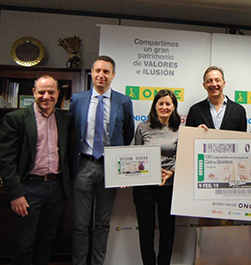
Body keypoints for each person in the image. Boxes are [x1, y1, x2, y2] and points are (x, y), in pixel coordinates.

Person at [69, 55, 135, 264]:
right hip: (84, 166)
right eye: (97, 70)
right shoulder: (78, 99)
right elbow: (69, 129)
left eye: (106, 72)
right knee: (80, 224)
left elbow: (127, 134)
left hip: (109, 168)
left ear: (113, 75)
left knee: (102, 223)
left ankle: (98, 262)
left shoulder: (123, 101)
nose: (101, 75)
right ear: (91, 72)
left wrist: (117, 159)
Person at [0, 75, 71, 265]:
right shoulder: (16, 119)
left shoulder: (65, 119)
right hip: (28, 189)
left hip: (56, 188)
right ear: (34, 93)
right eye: (41, 92)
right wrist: (15, 194)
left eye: (51, 92)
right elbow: (6, 160)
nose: (46, 96)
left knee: (46, 242)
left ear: (58, 94)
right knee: (24, 244)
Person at [186, 65, 247, 226]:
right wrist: (195, 134)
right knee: (205, 219)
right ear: (204, 85)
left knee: (227, 221)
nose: (213, 84)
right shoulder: (195, 110)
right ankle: (203, 252)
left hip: (231, 176)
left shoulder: (239, 110)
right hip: (205, 175)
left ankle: (225, 252)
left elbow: (243, 145)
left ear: (224, 83)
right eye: (209, 81)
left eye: (217, 80)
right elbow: (187, 145)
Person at [133, 89, 179, 265]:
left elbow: (183, 155)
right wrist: (124, 177)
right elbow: (135, 155)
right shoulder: (142, 127)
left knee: (167, 231)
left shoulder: (179, 129)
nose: (164, 107)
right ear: (155, 106)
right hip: (145, 186)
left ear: (174, 107)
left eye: (168, 103)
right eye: (161, 103)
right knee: (146, 231)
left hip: (169, 186)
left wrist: (172, 171)